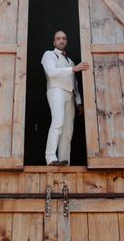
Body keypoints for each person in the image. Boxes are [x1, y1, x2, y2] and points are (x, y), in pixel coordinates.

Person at [41, 30, 90, 166]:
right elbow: (51, 72)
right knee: (58, 122)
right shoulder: (49, 55)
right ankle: (50, 158)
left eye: (63, 38)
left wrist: (79, 102)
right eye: (58, 38)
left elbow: (75, 83)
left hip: (70, 95)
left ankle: (64, 161)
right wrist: (72, 69)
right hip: (56, 90)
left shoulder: (71, 61)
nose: (61, 41)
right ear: (54, 42)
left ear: (66, 41)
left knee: (68, 130)